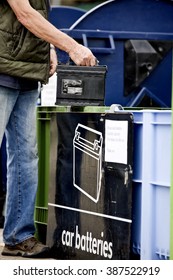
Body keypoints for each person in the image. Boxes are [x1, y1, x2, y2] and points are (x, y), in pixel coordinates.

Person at [0, 0, 97, 258]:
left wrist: (47, 47)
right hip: (2, 68)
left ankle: (18, 236)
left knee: (25, 158)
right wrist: (72, 47)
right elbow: (24, 14)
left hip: (28, 72)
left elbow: (35, 15)